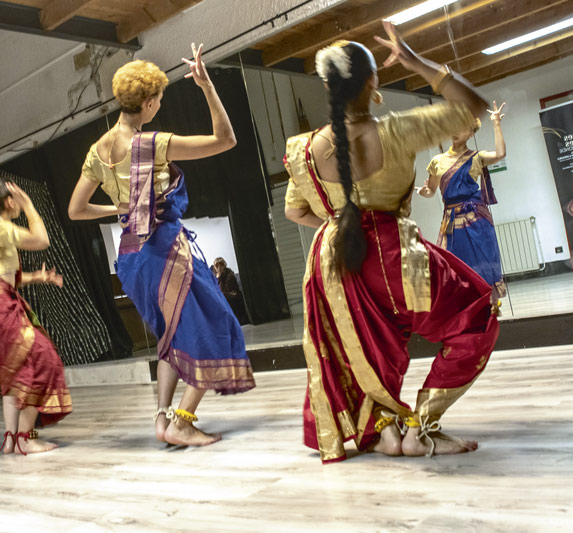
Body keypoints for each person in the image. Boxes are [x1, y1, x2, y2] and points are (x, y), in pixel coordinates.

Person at [283, 24, 499, 464]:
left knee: (366, 345)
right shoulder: (398, 129)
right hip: (393, 254)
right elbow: (472, 107)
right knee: (477, 312)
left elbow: (295, 211)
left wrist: (341, 225)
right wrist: (416, 62)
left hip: (334, 261)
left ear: (327, 87)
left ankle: (382, 431)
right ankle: (421, 426)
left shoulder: (300, 150)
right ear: (372, 82)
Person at [68, 45, 255, 447]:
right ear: (149, 103)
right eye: (160, 100)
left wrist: (117, 206)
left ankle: (162, 417)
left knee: (170, 336)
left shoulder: (97, 151)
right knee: (217, 326)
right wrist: (207, 87)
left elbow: (75, 209)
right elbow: (226, 139)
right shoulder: (153, 143)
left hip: (131, 260)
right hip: (164, 250)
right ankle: (183, 422)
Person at [0, 178, 72, 455]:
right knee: (43, 358)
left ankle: (10, 440)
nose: (20, 201)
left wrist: (38, 277)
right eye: (17, 198)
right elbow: (41, 240)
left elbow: (2, 277)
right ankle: (25, 438)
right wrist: (30, 206)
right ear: (9, 202)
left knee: (15, 371)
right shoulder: (0, 227)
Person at [417, 101, 507, 298]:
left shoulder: (476, 157)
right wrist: (424, 192)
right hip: (450, 220)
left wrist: (496, 123)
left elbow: (500, 154)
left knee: (483, 262)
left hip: (476, 219)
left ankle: (489, 308)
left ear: (471, 134)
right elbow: (431, 190)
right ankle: (464, 308)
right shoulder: (437, 161)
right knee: (454, 264)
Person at [212, 257, 248, 324]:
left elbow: (225, 290)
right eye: (217, 266)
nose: (219, 268)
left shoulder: (229, 275)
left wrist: (219, 278)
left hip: (233, 298)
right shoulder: (214, 277)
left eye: (221, 265)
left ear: (224, 266)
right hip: (226, 296)